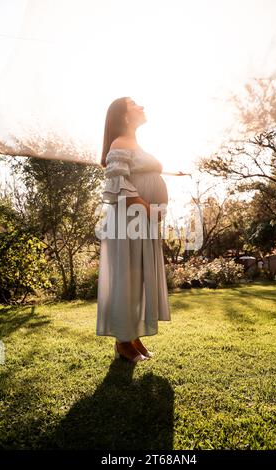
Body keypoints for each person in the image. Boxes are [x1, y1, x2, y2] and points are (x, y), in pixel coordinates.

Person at [96, 97, 171, 363]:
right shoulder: (120, 143)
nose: (142, 106)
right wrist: (146, 208)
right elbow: (118, 181)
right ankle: (122, 341)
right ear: (124, 116)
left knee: (138, 278)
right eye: (135, 104)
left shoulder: (135, 143)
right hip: (129, 221)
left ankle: (132, 333)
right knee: (127, 277)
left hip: (142, 223)